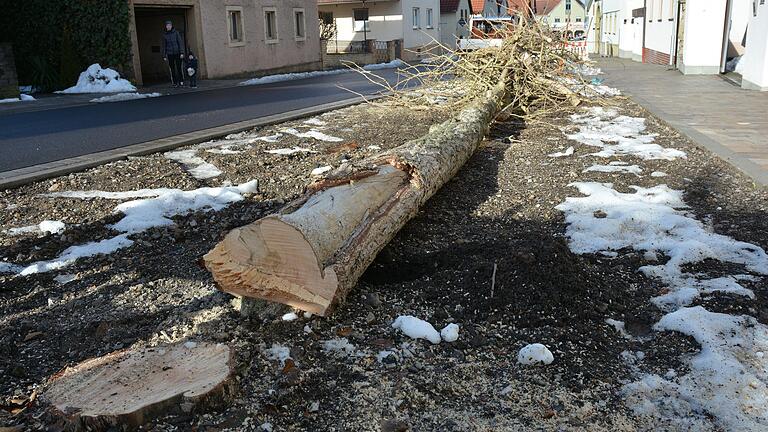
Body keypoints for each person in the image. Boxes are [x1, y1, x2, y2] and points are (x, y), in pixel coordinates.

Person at [161, 20, 185, 87]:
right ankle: (174, 82)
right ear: (166, 27)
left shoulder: (176, 33)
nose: (168, 26)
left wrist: (182, 52)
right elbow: (164, 46)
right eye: (167, 25)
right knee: (172, 69)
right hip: (170, 54)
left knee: (179, 68)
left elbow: (180, 43)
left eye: (169, 25)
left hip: (177, 53)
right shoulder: (164, 35)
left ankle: (181, 81)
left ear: (171, 26)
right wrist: (164, 55)